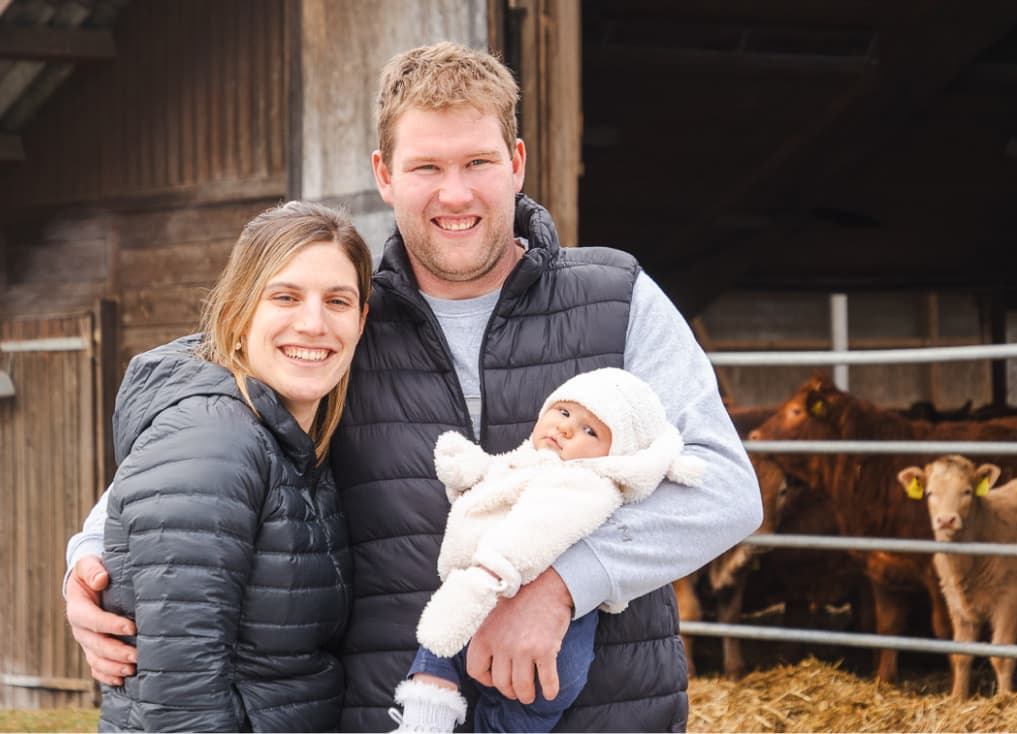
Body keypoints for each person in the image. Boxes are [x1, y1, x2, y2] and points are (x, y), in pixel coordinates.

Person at [65, 41, 763, 732]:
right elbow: (194, 437)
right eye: (426, 166)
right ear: (385, 174)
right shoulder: (340, 322)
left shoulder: (617, 297)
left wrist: (561, 584)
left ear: (517, 163)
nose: (454, 193)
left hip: (607, 717)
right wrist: (88, 562)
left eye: (478, 162)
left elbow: (728, 488)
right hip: (398, 713)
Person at [92, 201, 371, 731]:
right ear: (237, 315)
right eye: (285, 297)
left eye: (337, 301)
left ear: (361, 322)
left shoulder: (289, 441)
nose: (314, 323)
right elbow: (182, 697)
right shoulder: (213, 438)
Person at [395, 368, 706, 733]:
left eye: (590, 431)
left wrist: (488, 574)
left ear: (615, 455)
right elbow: (501, 476)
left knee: (441, 642)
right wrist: (470, 469)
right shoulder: (538, 463)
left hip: (547, 640)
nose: (566, 428)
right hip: (543, 649)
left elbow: (535, 532)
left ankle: (423, 722)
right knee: (508, 718)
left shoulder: (583, 485)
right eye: (564, 412)